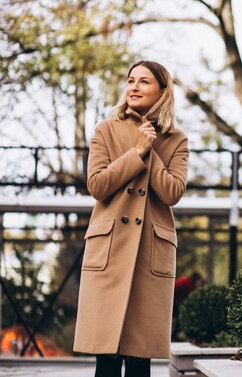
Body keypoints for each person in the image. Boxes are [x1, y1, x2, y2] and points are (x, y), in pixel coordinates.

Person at [73, 60, 189, 377]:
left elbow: (172, 192)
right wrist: (136, 152)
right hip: (109, 253)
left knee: (140, 362)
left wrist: (150, 150)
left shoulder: (176, 139)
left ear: (162, 92)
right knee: (106, 360)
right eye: (130, 80)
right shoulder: (105, 130)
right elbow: (97, 185)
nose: (134, 87)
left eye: (144, 81)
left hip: (148, 254)